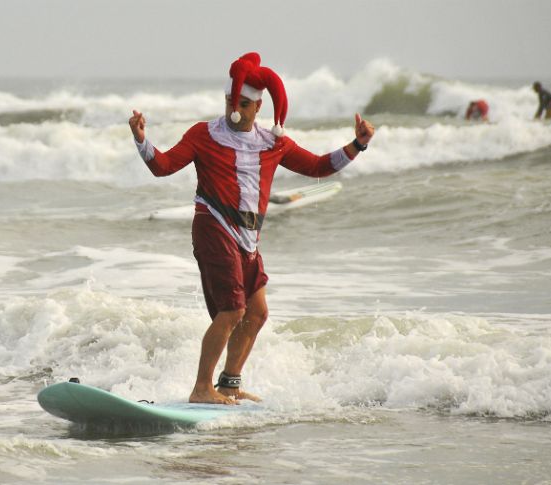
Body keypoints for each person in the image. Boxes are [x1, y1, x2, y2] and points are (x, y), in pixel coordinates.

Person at [128, 52, 375, 405]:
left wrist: (358, 144)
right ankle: (201, 389)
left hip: (248, 239)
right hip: (213, 226)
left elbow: (319, 166)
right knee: (232, 311)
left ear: (258, 107)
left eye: (244, 104)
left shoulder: (273, 142)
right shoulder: (203, 134)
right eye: (231, 101)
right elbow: (163, 166)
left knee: (257, 313)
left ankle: (229, 383)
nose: (235, 109)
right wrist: (141, 140)